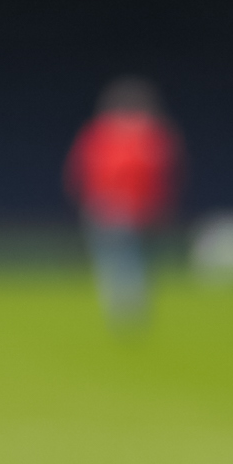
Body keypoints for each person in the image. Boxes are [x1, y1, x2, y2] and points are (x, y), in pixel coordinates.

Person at [65, 77, 180, 328]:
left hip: (123, 208)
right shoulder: (147, 135)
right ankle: (129, 307)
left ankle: (125, 308)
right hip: (121, 207)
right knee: (127, 259)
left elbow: (81, 170)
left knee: (123, 260)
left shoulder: (109, 134)